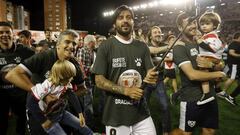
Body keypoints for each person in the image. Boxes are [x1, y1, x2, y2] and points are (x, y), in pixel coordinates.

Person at [5, 29, 88, 135]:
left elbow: (82, 89)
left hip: (61, 112)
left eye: (74, 43)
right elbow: (12, 75)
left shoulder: (75, 64)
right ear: (58, 44)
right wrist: (43, 95)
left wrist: (62, 96)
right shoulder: (44, 57)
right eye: (67, 42)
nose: (71, 46)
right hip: (38, 111)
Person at [92, 5, 158, 135]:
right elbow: (99, 80)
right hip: (115, 115)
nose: (125, 20)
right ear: (114, 23)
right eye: (120, 18)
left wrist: (152, 78)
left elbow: (152, 77)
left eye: (129, 17)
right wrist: (126, 90)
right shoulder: (106, 46)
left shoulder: (142, 46)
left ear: (133, 22)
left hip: (141, 113)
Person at [171, 12, 226, 135]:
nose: (193, 26)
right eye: (188, 23)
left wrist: (213, 65)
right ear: (180, 28)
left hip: (210, 94)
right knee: (184, 132)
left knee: (209, 130)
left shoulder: (202, 42)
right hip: (192, 96)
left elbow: (219, 62)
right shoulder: (179, 47)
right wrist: (219, 74)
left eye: (194, 22)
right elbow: (192, 75)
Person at [28, 60, 93, 135]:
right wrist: (44, 121)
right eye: (70, 77)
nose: (71, 79)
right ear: (62, 76)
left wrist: (80, 114)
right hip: (48, 117)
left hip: (59, 111)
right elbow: (31, 103)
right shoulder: (46, 86)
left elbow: (72, 95)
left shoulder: (65, 83)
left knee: (82, 126)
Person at [0, 21, 35, 135]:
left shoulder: (25, 51)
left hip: (21, 96)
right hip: (2, 96)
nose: (4, 35)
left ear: (12, 34)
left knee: (22, 125)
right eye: (1, 32)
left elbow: (37, 66)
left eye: (7, 32)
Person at [144, 25, 171, 135]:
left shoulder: (165, 45)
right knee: (143, 105)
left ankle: (166, 131)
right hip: (147, 80)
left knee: (164, 106)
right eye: (155, 32)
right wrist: (169, 47)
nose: (158, 33)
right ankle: (144, 128)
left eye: (159, 31)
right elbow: (152, 50)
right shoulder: (146, 46)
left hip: (159, 79)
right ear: (150, 36)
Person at [195, 11, 225, 105]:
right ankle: (217, 88)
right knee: (210, 74)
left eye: (207, 24)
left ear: (214, 26)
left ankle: (206, 94)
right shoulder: (207, 35)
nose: (204, 26)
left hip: (209, 57)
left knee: (203, 74)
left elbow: (212, 48)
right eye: (202, 24)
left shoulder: (212, 35)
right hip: (211, 57)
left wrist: (199, 42)